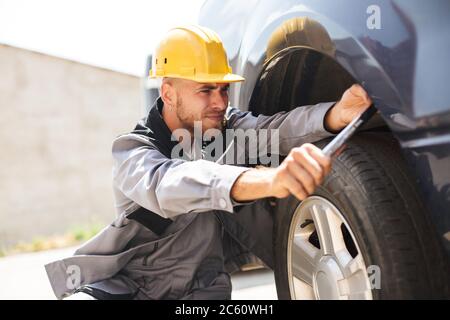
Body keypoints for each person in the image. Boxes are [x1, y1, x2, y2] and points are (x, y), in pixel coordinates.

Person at [45, 25, 371, 300]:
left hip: (201, 294)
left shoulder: (223, 127)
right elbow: (173, 183)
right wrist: (268, 180)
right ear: (169, 93)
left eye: (224, 89)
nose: (219, 102)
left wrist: (333, 115)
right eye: (205, 90)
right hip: (131, 290)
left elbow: (275, 129)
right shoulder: (133, 151)